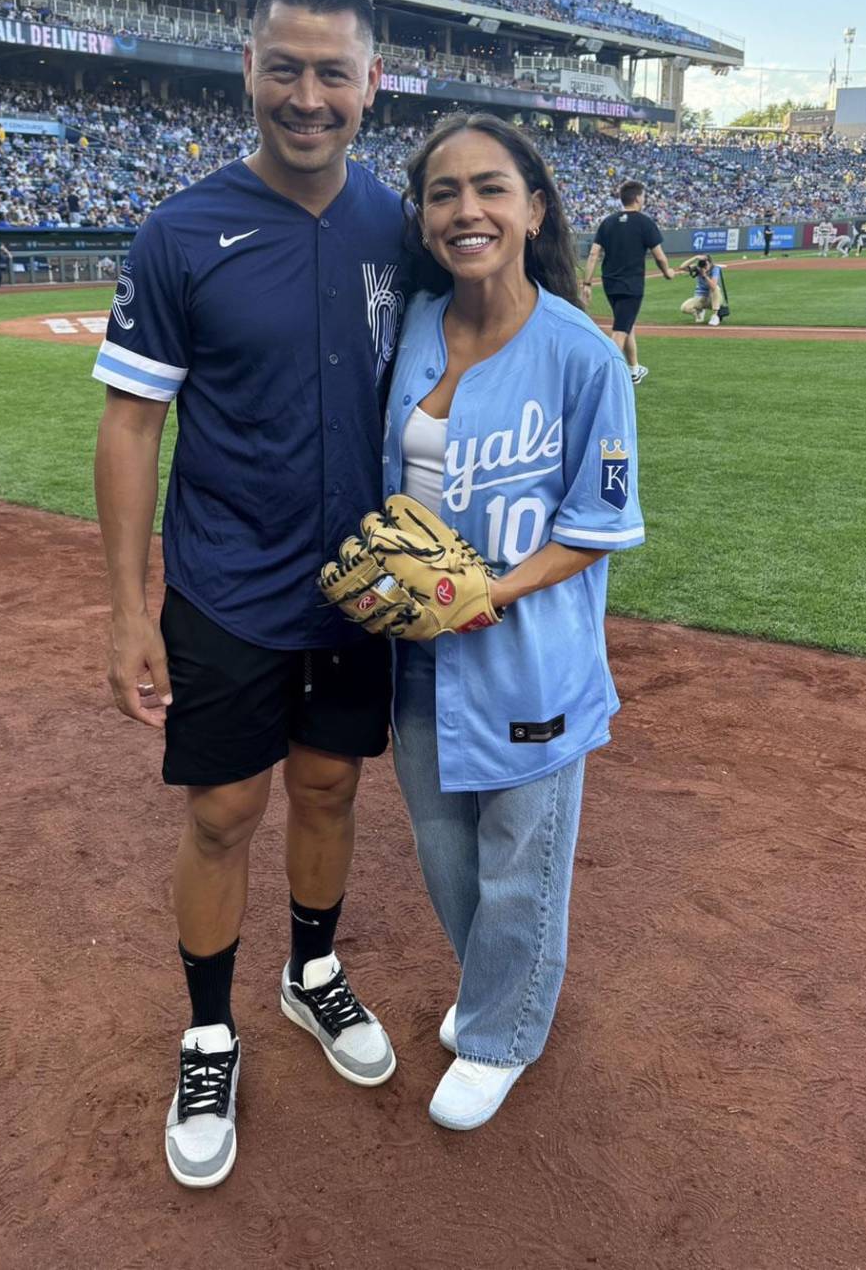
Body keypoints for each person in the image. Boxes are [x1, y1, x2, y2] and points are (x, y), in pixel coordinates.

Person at [91, 0, 408, 1190]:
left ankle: (312, 972)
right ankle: (211, 1030)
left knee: (330, 791)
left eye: (335, 72)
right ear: (248, 68)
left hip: (362, 591)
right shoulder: (182, 231)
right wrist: (127, 612)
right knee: (225, 811)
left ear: (372, 84)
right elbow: (130, 427)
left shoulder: (403, 224)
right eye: (287, 67)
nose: (309, 95)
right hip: (225, 583)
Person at [371, 114, 643, 1129]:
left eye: (491, 188)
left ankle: (502, 1031)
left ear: (534, 209)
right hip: (416, 658)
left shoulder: (583, 356)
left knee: (519, 864)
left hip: (529, 659)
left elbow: (599, 523)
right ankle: (500, 990)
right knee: (447, 857)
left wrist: (488, 590)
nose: (467, 209)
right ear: (425, 217)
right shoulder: (411, 329)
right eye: (444, 192)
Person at [580, 179, 674, 386]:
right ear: (639, 198)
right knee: (620, 330)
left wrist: (587, 283)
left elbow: (594, 253)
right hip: (631, 285)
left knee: (626, 323)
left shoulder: (608, 221)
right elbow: (659, 256)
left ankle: (633, 369)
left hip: (610, 283)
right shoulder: (644, 222)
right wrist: (667, 272)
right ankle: (605, 379)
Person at [678, 254, 725, 324]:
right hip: (700, 297)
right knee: (684, 308)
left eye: (705, 264)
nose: (704, 267)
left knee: (716, 288)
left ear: (710, 263)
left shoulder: (715, 268)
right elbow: (681, 267)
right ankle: (698, 312)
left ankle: (715, 316)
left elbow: (713, 286)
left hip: (712, 299)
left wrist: (705, 276)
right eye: (702, 265)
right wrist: (695, 257)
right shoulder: (698, 268)